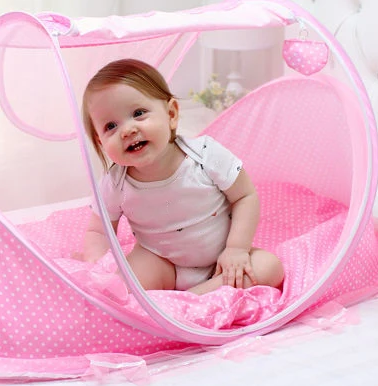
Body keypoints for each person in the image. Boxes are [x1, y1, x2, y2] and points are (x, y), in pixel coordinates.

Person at [79, 58, 284, 295]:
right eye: (110, 126)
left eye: (138, 113)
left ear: (171, 114)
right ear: (100, 142)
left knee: (269, 268)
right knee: (120, 288)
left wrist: (236, 249)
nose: (127, 130)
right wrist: (97, 264)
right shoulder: (116, 183)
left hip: (221, 261)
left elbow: (245, 196)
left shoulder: (205, 155)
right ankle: (197, 296)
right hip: (161, 262)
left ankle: (192, 297)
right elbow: (99, 231)